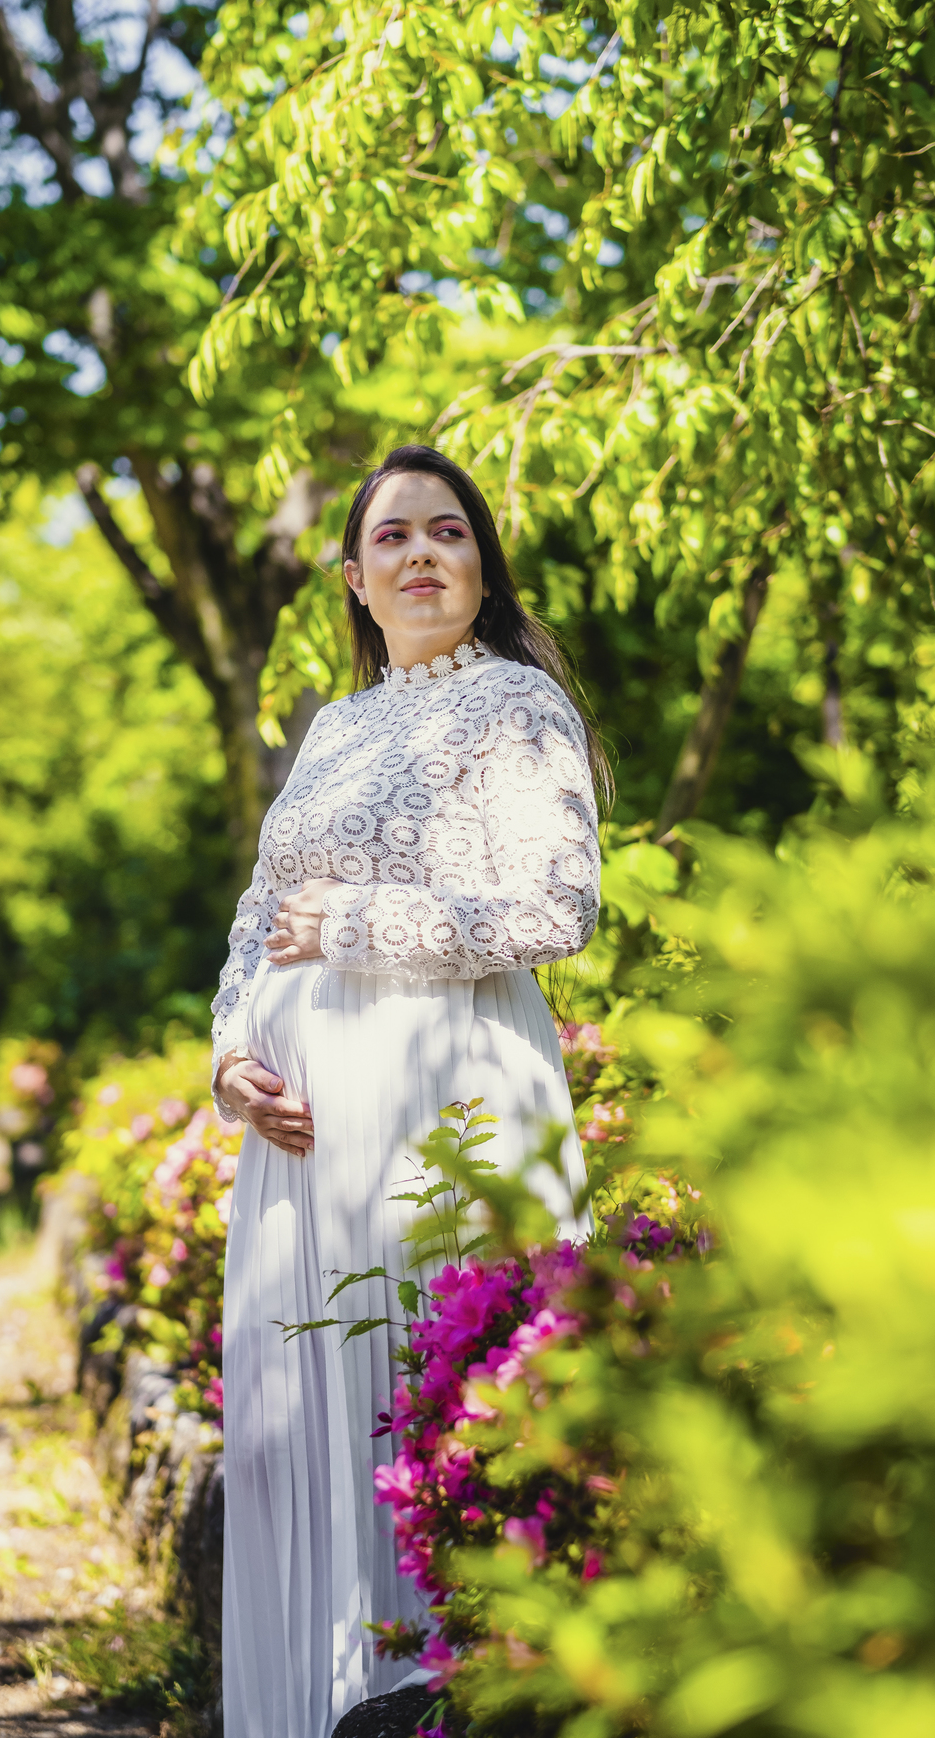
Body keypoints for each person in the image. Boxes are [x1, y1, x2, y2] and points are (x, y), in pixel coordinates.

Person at [210, 444, 608, 1738]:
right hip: (301, 1153)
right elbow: (259, 918)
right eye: (393, 536)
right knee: (294, 1443)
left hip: (449, 1115)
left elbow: (558, 907)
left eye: (448, 531)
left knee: (424, 1433)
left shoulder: (516, 706)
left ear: (482, 566)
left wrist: (357, 923)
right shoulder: (333, 729)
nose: (422, 552)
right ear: (354, 578)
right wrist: (232, 1064)